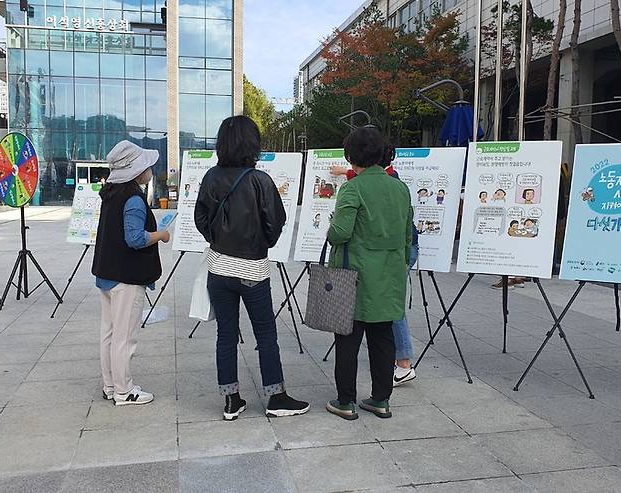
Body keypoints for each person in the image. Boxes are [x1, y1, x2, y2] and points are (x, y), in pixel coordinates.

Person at [194, 116, 309, 421]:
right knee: (266, 334)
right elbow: (276, 222)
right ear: (253, 144)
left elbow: (200, 218)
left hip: (219, 268)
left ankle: (231, 400)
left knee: (226, 335)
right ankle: (276, 397)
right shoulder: (261, 181)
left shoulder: (210, 177)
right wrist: (260, 243)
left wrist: (218, 239)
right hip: (253, 271)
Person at [325, 127, 413, 420]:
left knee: (348, 341)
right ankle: (380, 399)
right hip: (388, 277)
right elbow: (406, 236)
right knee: (382, 338)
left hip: (355, 277)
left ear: (351, 156)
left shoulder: (352, 188)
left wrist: (330, 224)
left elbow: (339, 234)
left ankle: (346, 401)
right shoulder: (400, 188)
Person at [91, 141, 169, 406]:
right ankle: (125, 391)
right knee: (125, 337)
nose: (151, 169)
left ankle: (110, 385)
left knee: (109, 334)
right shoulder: (134, 199)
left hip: (107, 274)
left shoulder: (111, 194)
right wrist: (162, 234)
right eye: (147, 165)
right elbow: (135, 239)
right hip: (127, 278)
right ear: (137, 171)